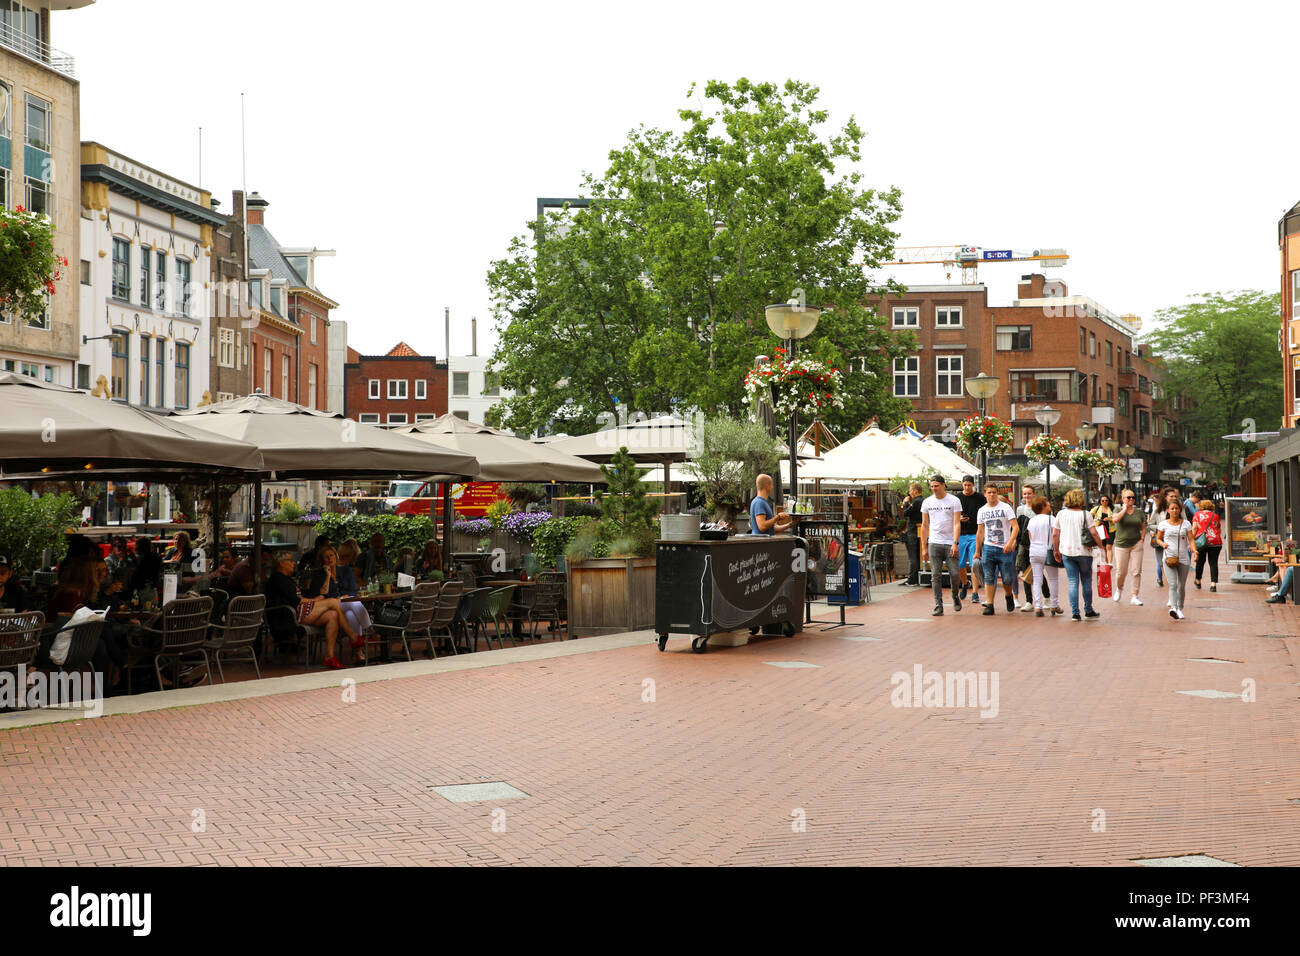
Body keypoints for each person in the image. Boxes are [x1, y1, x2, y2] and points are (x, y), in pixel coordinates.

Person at [264, 551, 356, 670]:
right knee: (333, 602)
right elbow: (296, 600)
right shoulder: (278, 579)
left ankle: (330, 656)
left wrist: (313, 600)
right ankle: (353, 637)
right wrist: (315, 600)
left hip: (296, 612)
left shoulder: (286, 578)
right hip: (287, 617)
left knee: (332, 615)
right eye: (290, 561)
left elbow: (298, 598)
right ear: (281, 564)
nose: (293, 563)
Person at [306, 546, 370, 661]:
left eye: (331, 555)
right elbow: (321, 596)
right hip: (332, 608)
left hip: (346, 603)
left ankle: (359, 651)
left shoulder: (346, 570)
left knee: (351, 613)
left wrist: (344, 597)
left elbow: (353, 590)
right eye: (326, 557)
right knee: (354, 603)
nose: (330, 558)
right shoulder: (318, 575)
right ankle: (369, 631)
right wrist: (328, 575)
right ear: (322, 561)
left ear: (336, 556)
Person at [1053, 488, 1104, 622]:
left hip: (1067, 552)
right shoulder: (1085, 514)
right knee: (1086, 580)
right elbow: (1093, 532)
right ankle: (1088, 610)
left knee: (1072, 581)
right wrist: (1100, 546)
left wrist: (1056, 550)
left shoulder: (1060, 514)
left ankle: (1075, 613)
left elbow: (1055, 534)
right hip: (1084, 551)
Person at [920, 476, 962, 616]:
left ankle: (955, 596)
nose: (934, 488)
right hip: (934, 542)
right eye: (931, 486)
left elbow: (957, 523)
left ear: (944, 485)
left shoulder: (954, 500)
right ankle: (938, 605)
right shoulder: (927, 502)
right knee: (935, 575)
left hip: (950, 542)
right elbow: (925, 525)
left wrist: (955, 542)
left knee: (955, 574)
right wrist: (924, 547)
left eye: (936, 486)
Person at [976, 482, 1019, 615]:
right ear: (985, 494)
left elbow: (1015, 527)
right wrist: (977, 550)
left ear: (997, 493)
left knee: (1007, 578)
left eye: (994, 492)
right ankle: (990, 604)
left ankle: (1008, 596)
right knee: (989, 577)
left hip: (1004, 548)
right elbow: (980, 531)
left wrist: (1010, 542)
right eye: (989, 492)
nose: (992, 495)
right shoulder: (982, 510)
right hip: (988, 548)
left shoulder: (1006, 507)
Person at [1156, 499, 1197, 620]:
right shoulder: (1163, 524)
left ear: (1180, 510)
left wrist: (1194, 551)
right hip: (1169, 557)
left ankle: (1180, 608)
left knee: (1181, 586)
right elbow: (1158, 539)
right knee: (1173, 584)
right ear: (1168, 510)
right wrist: (1162, 544)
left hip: (1184, 558)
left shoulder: (1186, 524)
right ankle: (1173, 608)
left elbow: (1191, 539)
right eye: (1172, 508)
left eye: (1176, 508)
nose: (1174, 510)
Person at [1026, 496, 1062, 617]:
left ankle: (1038, 607)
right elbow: (1055, 535)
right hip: (1048, 551)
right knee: (1053, 579)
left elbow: (1030, 537)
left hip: (1034, 551)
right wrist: (1057, 549)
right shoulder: (1051, 519)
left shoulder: (1032, 520)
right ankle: (1053, 604)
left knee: (1037, 580)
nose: (1049, 505)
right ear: (1043, 506)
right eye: (1047, 503)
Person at [1110, 489, 1147, 606]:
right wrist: (1124, 509)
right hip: (1121, 544)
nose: (1131, 499)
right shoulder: (1117, 509)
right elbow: (1115, 519)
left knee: (1136, 571)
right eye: (1128, 497)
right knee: (1121, 571)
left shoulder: (1139, 512)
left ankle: (1134, 595)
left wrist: (1142, 539)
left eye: (1133, 497)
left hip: (1136, 544)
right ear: (1123, 499)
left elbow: (1143, 526)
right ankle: (1119, 588)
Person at [955, 476, 987, 603]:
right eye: (965, 485)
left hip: (975, 533)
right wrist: (959, 519)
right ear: (962, 485)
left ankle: (974, 592)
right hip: (961, 534)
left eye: (969, 485)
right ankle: (964, 584)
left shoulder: (980, 498)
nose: (967, 487)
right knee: (960, 564)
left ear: (973, 485)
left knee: (975, 564)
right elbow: (952, 515)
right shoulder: (957, 498)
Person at [1014, 485, 1038, 611]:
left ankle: (1046, 596)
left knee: (1037, 572)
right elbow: (1017, 527)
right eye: (1025, 494)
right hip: (1023, 544)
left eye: (1029, 493)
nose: (1027, 496)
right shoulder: (1019, 509)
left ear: (1034, 494)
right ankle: (1029, 601)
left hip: (1036, 544)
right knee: (1025, 571)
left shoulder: (1038, 508)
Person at [1192, 499, 1223, 592]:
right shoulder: (1215, 515)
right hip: (1215, 542)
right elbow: (1219, 528)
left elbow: (1194, 528)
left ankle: (1198, 580)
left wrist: (1192, 539)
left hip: (1202, 542)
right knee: (1213, 563)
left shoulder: (1197, 515)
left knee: (1200, 562)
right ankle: (1213, 584)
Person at [901, 483, 924, 586]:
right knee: (916, 556)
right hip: (918, 531)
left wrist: (906, 503)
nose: (909, 493)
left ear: (915, 491)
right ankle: (916, 577)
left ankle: (912, 579)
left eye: (910, 490)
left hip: (913, 531)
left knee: (912, 556)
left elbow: (905, 513)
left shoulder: (917, 502)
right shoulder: (922, 501)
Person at [1090, 495, 1115, 563]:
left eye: (1106, 500)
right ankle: (1105, 562)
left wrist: (1109, 519)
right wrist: (1096, 521)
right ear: (1100, 501)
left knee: (1109, 547)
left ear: (1108, 501)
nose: (1104, 502)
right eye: (1102, 500)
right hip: (1101, 530)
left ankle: (1109, 564)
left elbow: (1116, 518)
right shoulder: (1097, 508)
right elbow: (1089, 516)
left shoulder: (1112, 509)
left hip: (1110, 530)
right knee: (1103, 548)